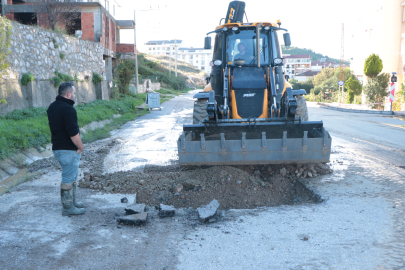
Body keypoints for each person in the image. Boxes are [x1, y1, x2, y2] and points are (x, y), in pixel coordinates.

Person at [47, 82, 85, 216]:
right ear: (68, 94)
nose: (75, 96)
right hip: (68, 149)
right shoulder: (68, 109)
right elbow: (73, 132)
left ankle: (72, 203)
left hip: (58, 148)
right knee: (69, 177)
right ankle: (68, 208)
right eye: (74, 93)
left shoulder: (52, 107)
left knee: (72, 175)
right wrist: (80, 146)